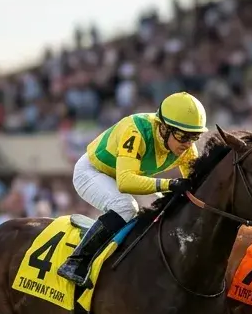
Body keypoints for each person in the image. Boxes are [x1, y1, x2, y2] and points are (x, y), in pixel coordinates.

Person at [58, 92, 206, 287]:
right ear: (163, 127)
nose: (188, 144)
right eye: (182, 136)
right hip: (92, 172)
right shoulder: (136, 131)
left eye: (194, 137)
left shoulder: (186, 149)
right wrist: (169, 184)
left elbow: (195, 189)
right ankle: (76, 261)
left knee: (166, 208)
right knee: (126, 207)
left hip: (127, 175)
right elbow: (125, 181)